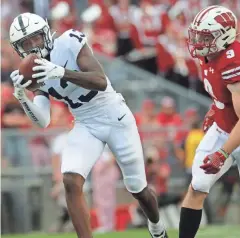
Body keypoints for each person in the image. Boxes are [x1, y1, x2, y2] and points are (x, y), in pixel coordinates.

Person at [9, 13, 168, 238]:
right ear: (19, 48)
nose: (34, 46)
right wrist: (22, 97)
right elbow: (43, 121)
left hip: (115, 116)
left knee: (138, 189)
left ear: (45, 33)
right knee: (70, 180)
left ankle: (157, 227)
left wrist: (62, 72)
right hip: (85, 122)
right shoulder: (33, 71)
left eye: (36, 38)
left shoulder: (68, 42)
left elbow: (100, 81)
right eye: (27, 43)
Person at [179, 6, 240, 238]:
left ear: (225, 36)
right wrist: (216, 107)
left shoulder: (233, 61)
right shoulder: (208, 53)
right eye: (197, 35)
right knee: (198, 185)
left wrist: (222, 154)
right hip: (222, 129)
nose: (198, 41)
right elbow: (223, 92)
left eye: (205, 36)